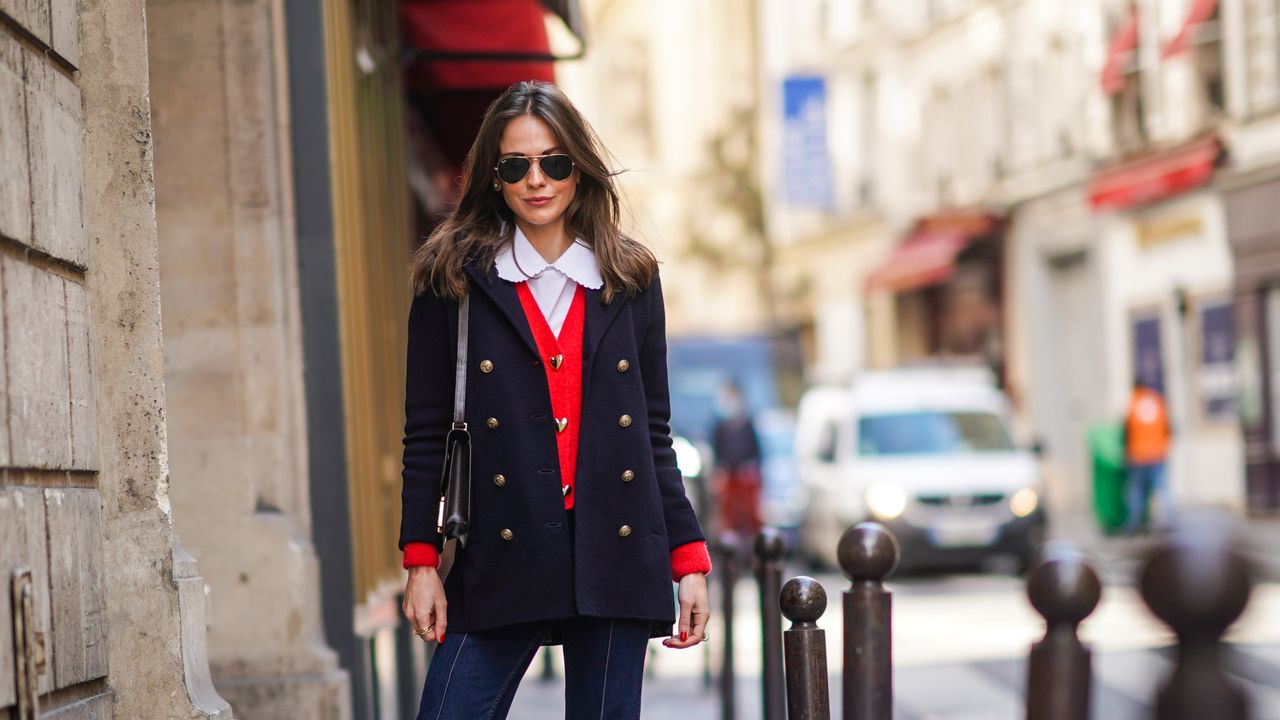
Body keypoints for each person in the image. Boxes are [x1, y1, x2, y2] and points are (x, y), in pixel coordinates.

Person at [399, 80, 712, 720]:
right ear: (493, 176)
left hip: (616, 549)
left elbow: (653, 433)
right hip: (501, 552)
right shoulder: (451, 280)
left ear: (579, 171)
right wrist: (421, 561)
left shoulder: (630, 277)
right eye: (516, 165)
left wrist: (689, 559)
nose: (536, 180)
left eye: (554, 162)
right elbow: (426, 432)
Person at [710, 381, 763, 537]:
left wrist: (750, 468)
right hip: (728, 478)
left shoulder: (748, 425)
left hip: (745, 479)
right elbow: (716, 453)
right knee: (728, 515)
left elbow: (756, 452)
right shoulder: (719, 427)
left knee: (749, 515)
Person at [1123, 376, 1174, 534]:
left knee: (1137, 490)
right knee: (1163, 489)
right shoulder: (1157, 401)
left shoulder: (1133, 403)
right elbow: (1168, 426)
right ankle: (1167, 521)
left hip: (1138, 455)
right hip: (1157, 453)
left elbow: (1127, 431)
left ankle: (1134, 523)